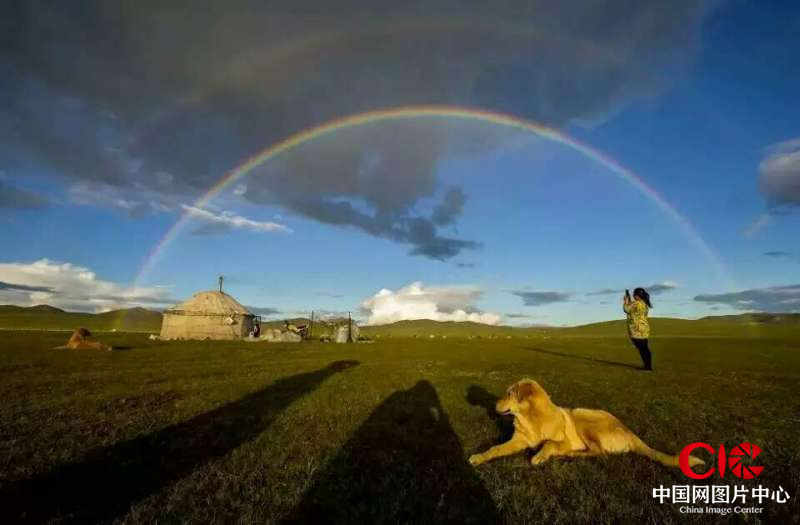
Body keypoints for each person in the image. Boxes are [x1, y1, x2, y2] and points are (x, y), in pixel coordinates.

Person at [623, 287, 652, 371]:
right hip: (644, 328)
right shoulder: (644, 304)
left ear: (637, 295)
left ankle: (647, 367)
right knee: (645, 348)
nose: (633, 295)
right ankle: (648, 366)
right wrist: (630, 301)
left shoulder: (635, 304)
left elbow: (626, 309)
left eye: (634, 294)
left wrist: (625, 301)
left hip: (636, 328)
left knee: (642, 349)